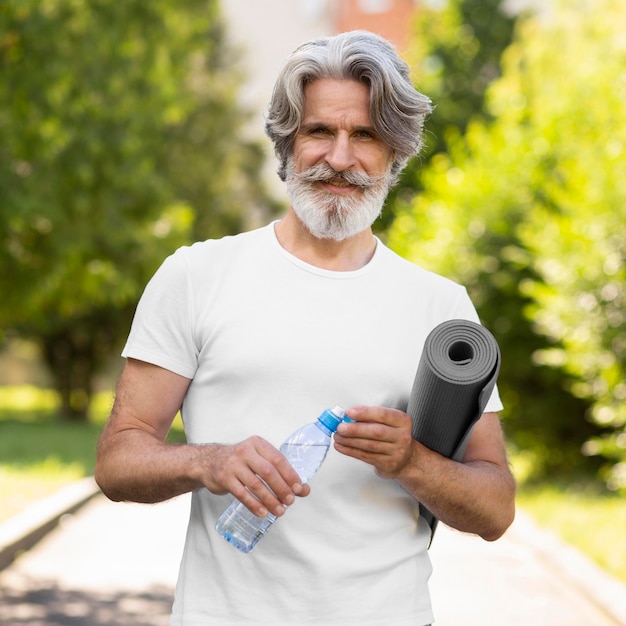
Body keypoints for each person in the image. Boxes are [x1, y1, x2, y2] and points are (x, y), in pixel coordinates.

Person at [95, 30, 516, 626]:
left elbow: (495, 510)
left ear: (395, 153)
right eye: (320, 131)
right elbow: (117, 462)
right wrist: (206, 461)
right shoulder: (196, 275)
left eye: (365, 135)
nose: (340, 159)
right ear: (287, 143)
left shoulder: (440, 307)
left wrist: (410, 462)